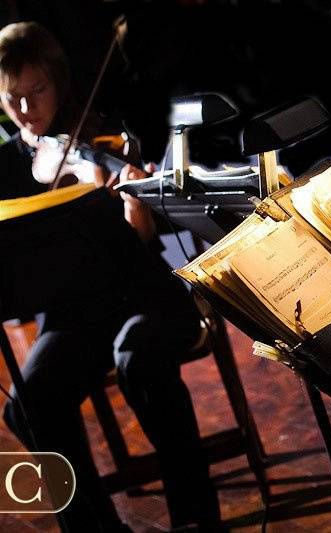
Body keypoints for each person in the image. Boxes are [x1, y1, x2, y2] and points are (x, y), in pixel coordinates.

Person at [0, 21, 222, 532]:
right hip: (73, 315)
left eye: (39, 92)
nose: (30, 111)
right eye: (16, 100)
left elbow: (139, 239)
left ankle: (197, 518)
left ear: (59, 82)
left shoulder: (101, 138)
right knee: (28, 407)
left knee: (139, 356)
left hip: (140, 293)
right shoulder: (6, 165)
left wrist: (129, 195)